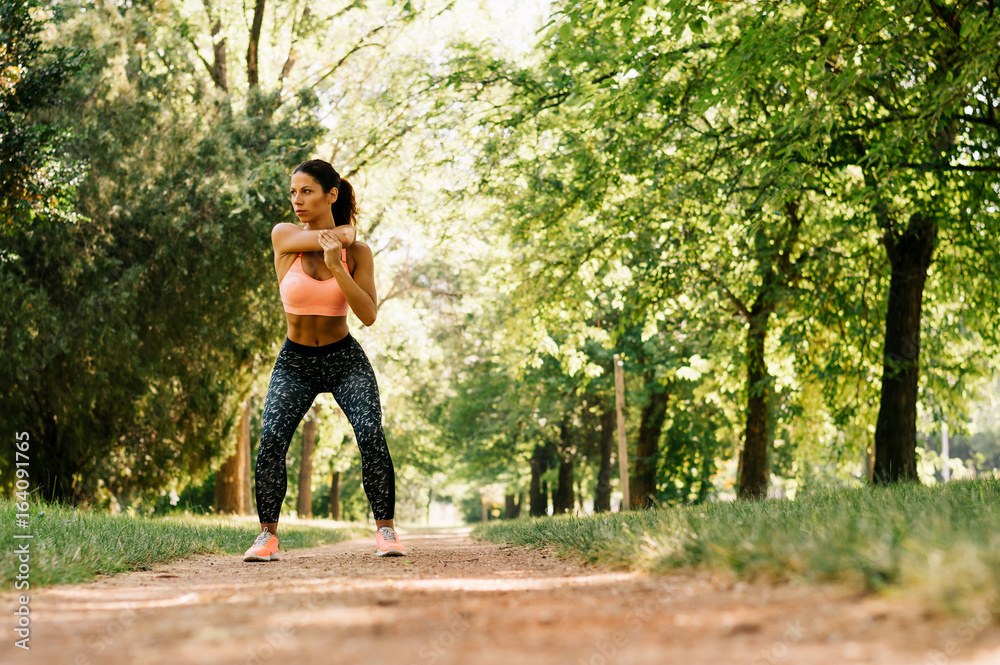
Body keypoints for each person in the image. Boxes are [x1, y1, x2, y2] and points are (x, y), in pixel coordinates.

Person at [243, 159, 405, 561]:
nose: (296, 200)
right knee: (272, 441)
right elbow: (338, 234)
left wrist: (339, 267)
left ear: (331, 194)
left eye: (307, 191)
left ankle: (386, 531)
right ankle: (267, 536)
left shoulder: (358, 253)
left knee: (371, 434)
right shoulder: (284, 236)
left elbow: (367, 315)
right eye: (293, 192)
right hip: (295, 360)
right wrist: (342, 236)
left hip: (343, 358)